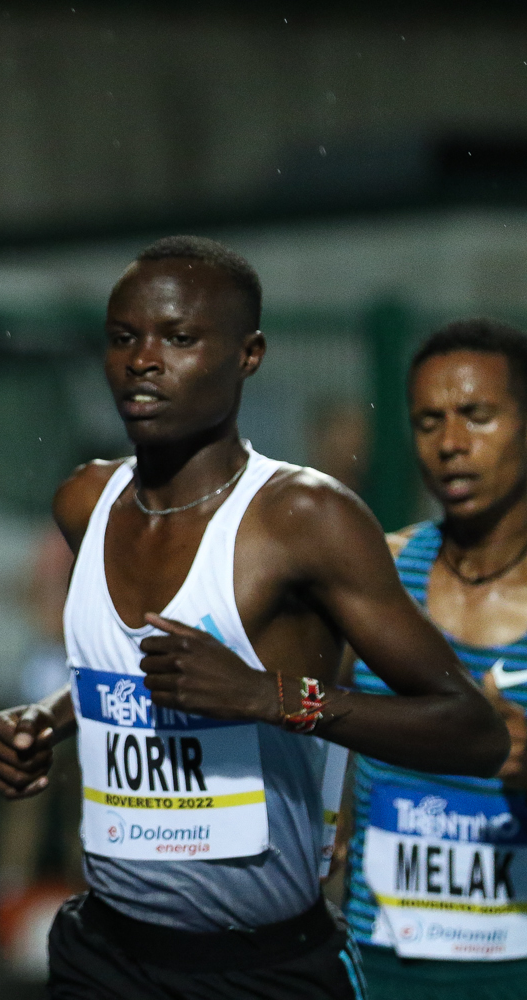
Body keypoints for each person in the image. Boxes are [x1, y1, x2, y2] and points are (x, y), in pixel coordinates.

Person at [0, 235, 508, 1000]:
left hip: (259, 968)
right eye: (124, 338)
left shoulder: (303, 518)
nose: (143, 360)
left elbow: (472, 730)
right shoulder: (85, 502)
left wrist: (270, 697)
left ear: (248, 354)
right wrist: (47, 719)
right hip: (103, 954)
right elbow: (131, 670)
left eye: (178, 338)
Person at [345, 319, 527, 998]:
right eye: (428, 422)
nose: (450, 443)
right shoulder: (379, 576)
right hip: (380, 966)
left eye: (477, 416)